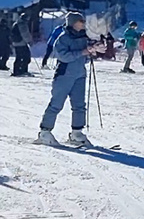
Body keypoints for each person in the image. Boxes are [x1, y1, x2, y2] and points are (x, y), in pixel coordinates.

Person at [35, 12, 103, 148]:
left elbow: (83, 53)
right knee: (57, 103)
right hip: (65, 74)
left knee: (79, 104)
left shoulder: (83, 37)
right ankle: (45, 131)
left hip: (80, 74)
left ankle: (77, 132)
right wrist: (83, 52)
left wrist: (92, 51)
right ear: (73, 23)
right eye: (81, 21)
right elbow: (63, 56)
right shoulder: (63, 38)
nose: (83, 23)